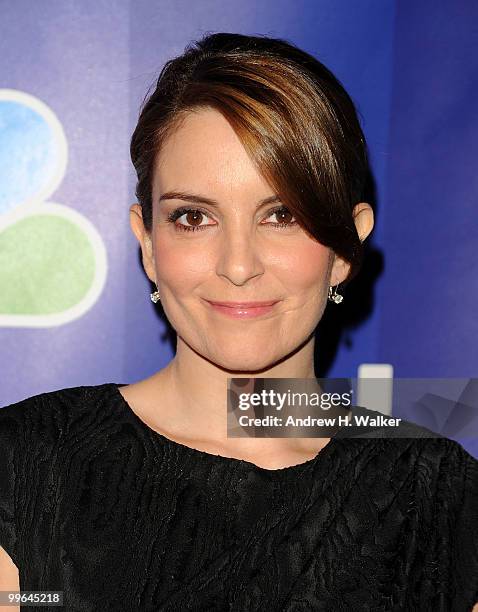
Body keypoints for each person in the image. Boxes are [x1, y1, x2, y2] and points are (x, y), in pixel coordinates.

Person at [1, 32, 477, 611]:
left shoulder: (436, 496)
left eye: (280, 215)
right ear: (148, 241)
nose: (238, 265)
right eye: (193, 217)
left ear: (346, 247)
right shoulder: (29, 462)